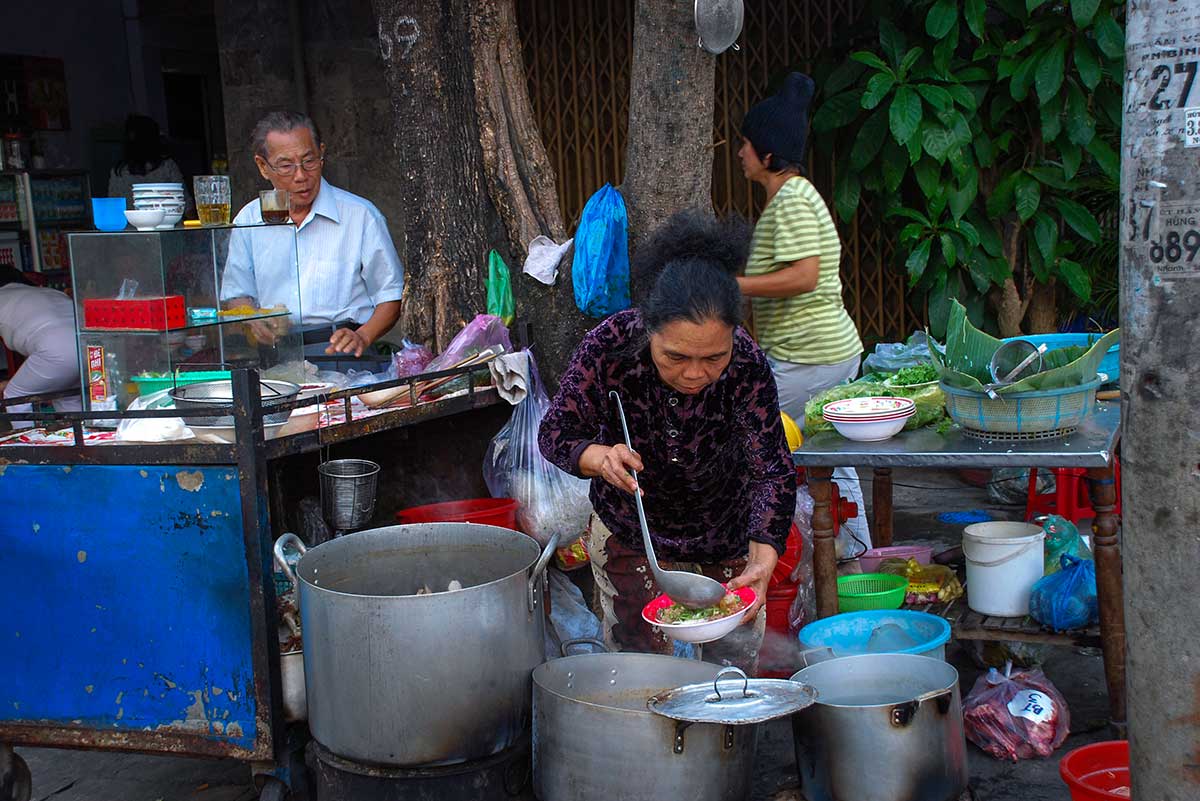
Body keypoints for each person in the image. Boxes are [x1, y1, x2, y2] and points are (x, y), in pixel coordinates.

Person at [538, 211, 797, 673]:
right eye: (675, 356)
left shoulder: (748, 365)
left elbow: (772, 471)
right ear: (648, 329)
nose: (695, 374)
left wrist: (764, 554)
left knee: (731, 672)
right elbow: (556, 433)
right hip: (633, 536)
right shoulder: (609, 347)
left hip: (726, 533)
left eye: (714, 357)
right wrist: (599, 458)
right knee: (640, 669)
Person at [735, 72, 871, 553]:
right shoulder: (794, 196)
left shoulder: (791, 200)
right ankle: (850, 557)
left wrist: (732, 286)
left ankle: (785, 557)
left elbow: (804, 275)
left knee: (766, 452)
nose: (740, 154)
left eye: (746, 145)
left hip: (806, 360)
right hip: (822, 354)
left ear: (768, 155)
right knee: (829, 456)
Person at [221, 111, 404, 364]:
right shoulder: (248, 220)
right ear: (263, 167)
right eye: (286, 165)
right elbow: (236, 292)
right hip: (276, 356)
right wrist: (253, 321)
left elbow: (391, 295)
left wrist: (363, 335)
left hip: (344, 354)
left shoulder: (360, 215)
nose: (300, 176)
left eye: (309, 161)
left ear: (322, 154)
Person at [0, 268, 81, 428]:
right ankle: (79, 444)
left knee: (15, 395)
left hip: (57, 350)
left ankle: (28, 448)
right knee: (67, 396)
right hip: (94, 348)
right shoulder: (47, 292)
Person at [107, 115, 185, 206]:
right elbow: (186, 203)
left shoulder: (118, 172)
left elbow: (113, 207)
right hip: (165, 219)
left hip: (134, 220)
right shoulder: (167, 166)